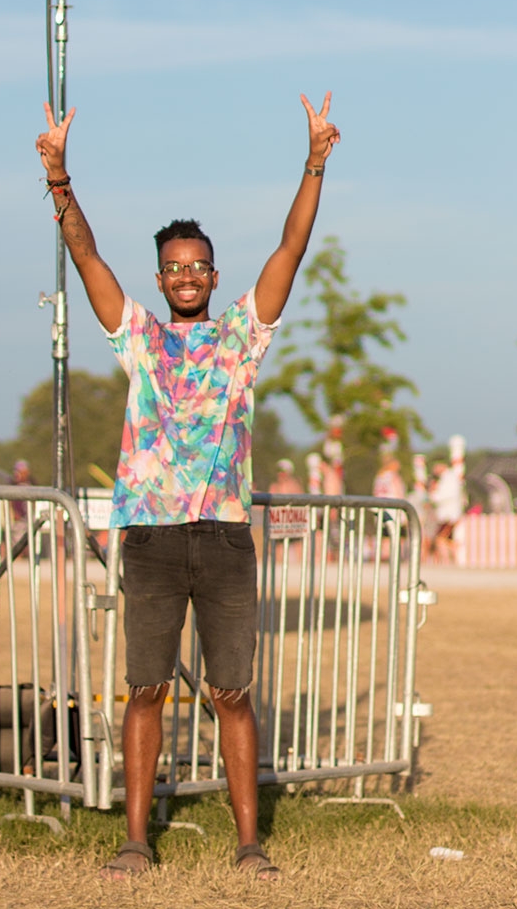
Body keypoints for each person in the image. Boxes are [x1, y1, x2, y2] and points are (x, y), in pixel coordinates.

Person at [36, 91, 339, 880]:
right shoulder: (138, 338)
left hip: (228, 539)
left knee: (231, 693)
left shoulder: (242, 337)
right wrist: (61, 182)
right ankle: (135, 840)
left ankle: (249, 844)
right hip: (155, 539)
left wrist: (313, 163)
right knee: (144, 690)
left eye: (198, 266)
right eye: (173, 268)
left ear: (213, 274)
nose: (186, 277)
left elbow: (291, 249)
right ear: (162, 277)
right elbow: (88, 261)